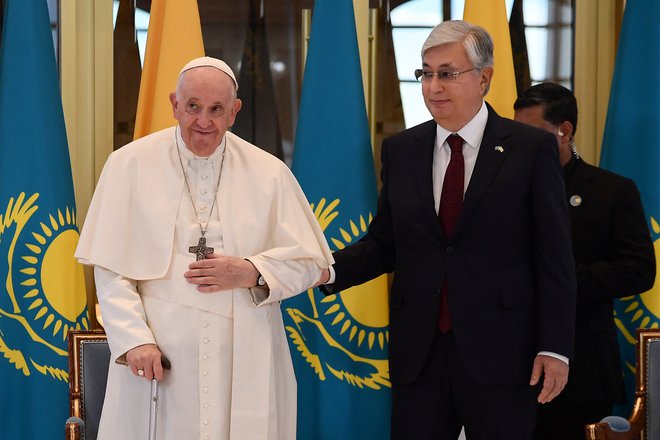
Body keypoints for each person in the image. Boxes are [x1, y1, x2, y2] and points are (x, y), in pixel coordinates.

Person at [318, 20, 577, 439]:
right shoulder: (401, 150)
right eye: (426, 73)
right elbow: (385, 244)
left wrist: (555, 347)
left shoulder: (530, 149)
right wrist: (323, 270)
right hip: (420, 353)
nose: (433, 86)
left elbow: (555, 259)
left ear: (484, 79)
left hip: (503, 353)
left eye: (447, 73)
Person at [75, 56, 333, 440]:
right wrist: (135, 339)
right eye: (193, 106)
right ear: (174, 104)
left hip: (245, 352)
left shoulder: (270, 172)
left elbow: (316, 264)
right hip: (160, 352)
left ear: (234, 112)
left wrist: (252, 270)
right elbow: (111, 270)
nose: (203, 121)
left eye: (216, 110)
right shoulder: (128, 165)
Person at [513, 82, 656, 440]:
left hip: (583, 364)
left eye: (531, 133)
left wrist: (559, 278)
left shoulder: (611, 191)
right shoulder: (504, 190)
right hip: (510, 363)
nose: (520, 143)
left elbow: (639, 271)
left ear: (564, 131)